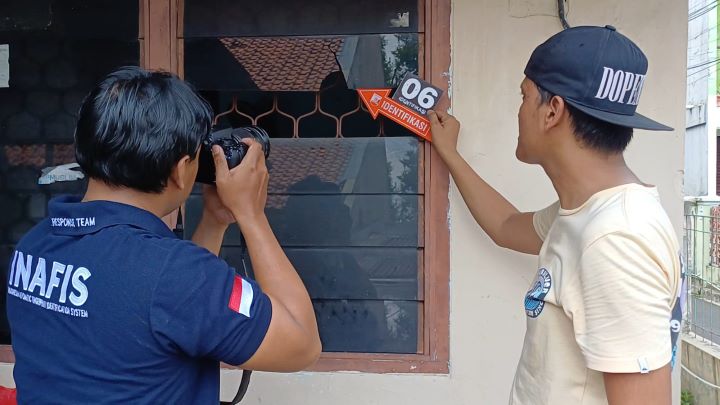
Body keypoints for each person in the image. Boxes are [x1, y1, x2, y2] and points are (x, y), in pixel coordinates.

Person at [6, 66, 321, 403]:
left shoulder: (36, 244)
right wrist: (252, 216)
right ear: (179, 169)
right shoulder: (174, 274)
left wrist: (214, 222)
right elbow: (301, 344)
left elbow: (165, 308)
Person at [428, 26, 683, 405]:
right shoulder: (588, 213)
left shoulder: (615, 240)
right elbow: (505, 225)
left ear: (552, 111)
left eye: (524, 96)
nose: (518, 110)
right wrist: (449, 152)